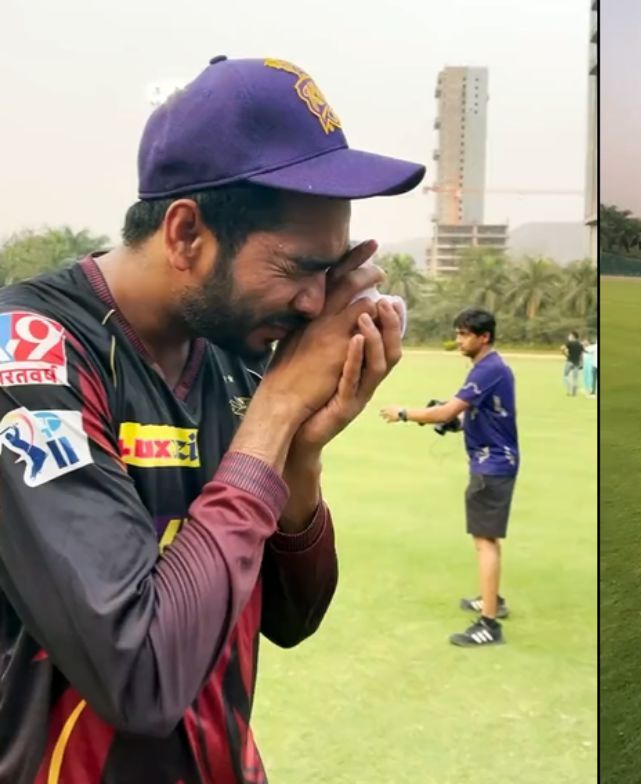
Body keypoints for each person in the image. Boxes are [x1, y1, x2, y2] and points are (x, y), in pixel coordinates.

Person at [0, 55, 419, 782]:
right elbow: (139, 675)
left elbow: (292, 618)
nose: (317, 306)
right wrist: (278, 409)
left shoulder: (232, 348)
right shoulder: (30, 355)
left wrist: (301, 460)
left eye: (335, 271)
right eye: (298, 268)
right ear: (186, 233)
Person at [379, 309, 518, 647]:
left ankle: (489, 623)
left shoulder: (489, 369)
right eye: (458, 334)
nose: (459, 341)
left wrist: (404, 413)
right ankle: (491, 601)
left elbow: (447, 411)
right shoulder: (490, 368)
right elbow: (476, 413)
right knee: (487, 540)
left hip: (492, 467)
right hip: (494, 463)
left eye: (465, 334)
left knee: (485, 541)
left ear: (483, 337)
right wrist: (456, 422)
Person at [562, 330, 584, 395]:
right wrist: (581, 363)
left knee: (565, 375)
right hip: (577, 363)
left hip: (569, 361)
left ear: (573, 336)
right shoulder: (580, 344)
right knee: (575, 378)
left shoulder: (569, 343)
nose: (569, 337)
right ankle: (574, 392)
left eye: (570, 335)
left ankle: (568, 390)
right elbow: (581, 355)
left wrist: (565, 354)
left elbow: (562, 348)